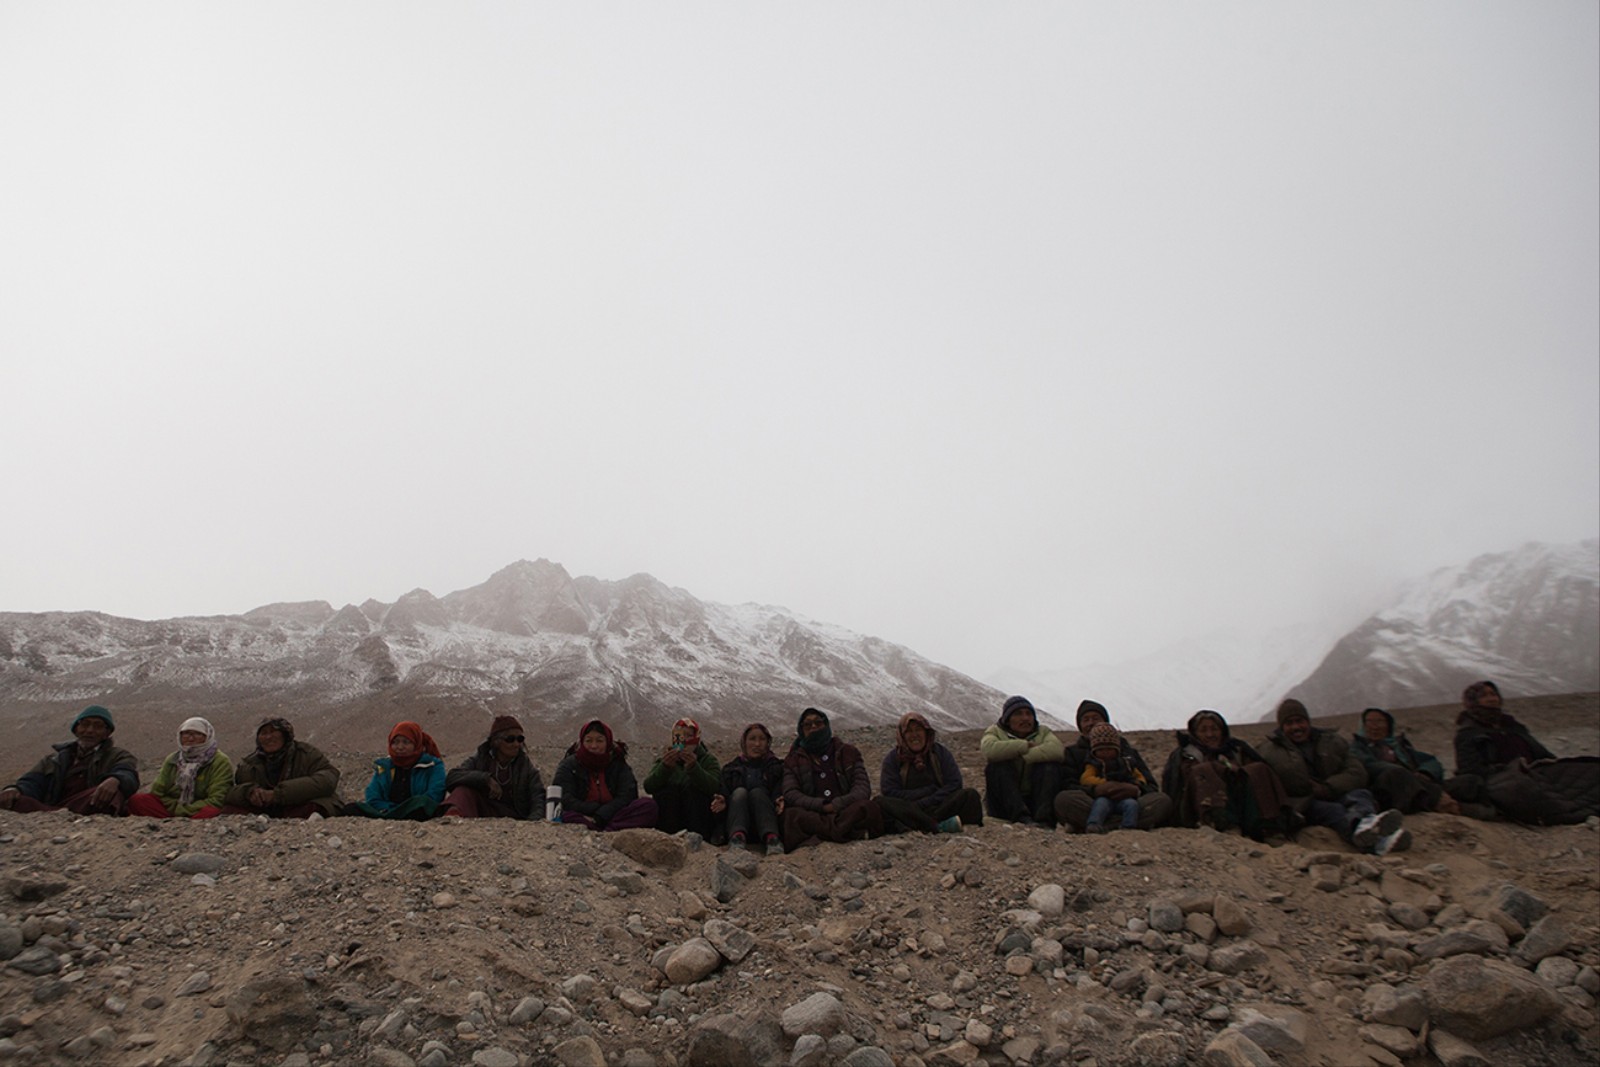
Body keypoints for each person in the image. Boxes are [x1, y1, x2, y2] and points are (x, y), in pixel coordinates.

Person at [1260, 699, 1408, 855]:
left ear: (1308, 722)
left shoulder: (1332, 741)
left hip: (1336, 792)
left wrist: (1329, 787)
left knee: (1361, 796)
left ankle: (1368, 827)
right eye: (1289, 723)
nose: (1296, 727)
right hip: (1303, 803)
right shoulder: (1270, 751)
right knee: (1334, 811)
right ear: (1282, 727)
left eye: (1300, 721)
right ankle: (1378, 842)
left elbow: (1356, 771)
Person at [1453, 681, 1600, 824]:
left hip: (1536, 771)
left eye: (1493, 694)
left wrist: (1554, 763)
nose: (1492, 698)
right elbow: (1471, 771)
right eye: (1484, 695)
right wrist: (1512, 768)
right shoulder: (1468, 734)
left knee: (1588, 770)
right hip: (1503, 781)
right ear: (1473, 701)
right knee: (1536, 795)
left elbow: (1539, 752)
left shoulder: (1511, 725)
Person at [1160, 709, 1293, 840]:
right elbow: (1185, 782)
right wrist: (1219, 770)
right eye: (1203, 730)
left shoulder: (1236, 749)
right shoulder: (1187, 755)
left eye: (1214, 729)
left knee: (1258, 769)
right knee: (1204, 770)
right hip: (1201, 808)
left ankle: (1268, 827)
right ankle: (1223, 825)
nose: (1210, 734)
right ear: (1195, 733)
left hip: (1243, 801)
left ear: (1222, 731)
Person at [1055, 700, 1171, 831]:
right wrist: (1096, 790)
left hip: (1130, 802)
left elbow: (1150, 785)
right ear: (1080, 725)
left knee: (1162, 801)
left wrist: (1135, 789)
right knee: (1064, 799)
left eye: (1096, 718)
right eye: (1086, 719)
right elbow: (1068, 785)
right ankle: (1125, 825)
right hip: (1093, 803)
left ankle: (1099, 825)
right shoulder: (1074, 752)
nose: (1091, 723)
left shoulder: (1127, 752)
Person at [0, 705, 138, 815]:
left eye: (97, 726)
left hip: (88, 803)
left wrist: (115, 779)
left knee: (112, 794)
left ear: (107, 733)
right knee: (13, 799)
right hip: (50, 809)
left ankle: (67, 816)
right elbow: (32, 782)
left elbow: (127, 773)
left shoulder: (118, 755)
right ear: (76, 729)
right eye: (85, 724)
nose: (90, 730)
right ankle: (58, 815)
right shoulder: (54, 759)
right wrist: (15, 789)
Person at [781, 707, 883, 849]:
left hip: (845, 810)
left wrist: (838, 804)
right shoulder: (793, 760)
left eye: (818, 722)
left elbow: (862, 787)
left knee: (868, 807)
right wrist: (821, 805)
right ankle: (845, 832)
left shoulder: (848, 752)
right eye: (808, 724)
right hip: (814, 814)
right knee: (792, 815)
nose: (814, 727)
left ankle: (822, 834)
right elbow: (791, 793)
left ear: (826, 725)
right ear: (801, 730)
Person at [877, 711, 983, 834]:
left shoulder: (940, 753)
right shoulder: (893, 759)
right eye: (909, 731)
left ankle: (920, 826)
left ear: (926, 733)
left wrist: (930, 800)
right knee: (880, 803)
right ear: (902, 735)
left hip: (939, 805)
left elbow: (954, 783)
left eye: (918, 730)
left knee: (970, 795)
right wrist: (923, 794)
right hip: (910, 807)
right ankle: (937, 826)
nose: (915, 735)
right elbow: (889, 791)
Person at [1351, 707, 1468, 816]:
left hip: (1418, 783)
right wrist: (1406, 773)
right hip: (1389, 789)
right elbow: (1369, 764)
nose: (1375, 727)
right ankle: (1444, 804)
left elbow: (1429, 760)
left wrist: (1425, 772)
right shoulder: (1358, 747)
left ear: (1388, 725)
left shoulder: (1398, 745)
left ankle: (1471, 809)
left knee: (1469, 781)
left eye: (1380, 721)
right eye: (1370, 722)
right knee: (1397, 774)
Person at [221, 718, 342, 818]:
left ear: (285, 735)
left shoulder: (306, 754)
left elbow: (328, 778)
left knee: (315, 808)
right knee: (230, 810)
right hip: (267, 811)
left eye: (273, 732)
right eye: (264, 733)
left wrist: (278, 794)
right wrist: (249, 792)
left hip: (297, 804)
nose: (268, 737)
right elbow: (231, 792)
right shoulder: (250, 763)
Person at [551, 720, 658, 831]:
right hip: (584, 816)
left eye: (599, 741)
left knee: (648, 806)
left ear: (608, 742)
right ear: (582, 742)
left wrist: (603, 814)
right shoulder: (569, 765)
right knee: (566, 816)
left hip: (613, 815)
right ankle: (611, 830)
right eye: (589, 741)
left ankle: (603, 831)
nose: (594, 746)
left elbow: (628, 795)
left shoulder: (618, 764)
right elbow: (565, 798)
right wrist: (593, 809)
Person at [441, 716, 546, 820]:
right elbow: (453, 776)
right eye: (510, 739)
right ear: (496, 741)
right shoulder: (481, 758)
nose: (516, 744)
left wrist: (532, 823)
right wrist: (484, 779)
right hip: (484, 811)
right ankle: (452, 821)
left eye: (520, 739)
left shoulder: (525, 766)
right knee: (463, 790)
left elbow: (538, 798)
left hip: (514, 817)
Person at [980, 696, 1063, 826]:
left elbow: (1057, 750)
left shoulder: (1043, 732)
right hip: (1005, 804)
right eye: (1018, 714)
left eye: (1029, 714)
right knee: (998, 767)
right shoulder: (995, 731)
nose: (1025, 718)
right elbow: (989, 750)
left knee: (1049, 766)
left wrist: (1025, 756)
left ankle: (1044, 820)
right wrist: (1023, 746)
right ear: (1007, 720)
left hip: (1034, 799)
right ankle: (1020, 818)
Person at [128, 717, 232, 819]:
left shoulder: (219, 761)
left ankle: (184, 825)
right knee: (138, 801)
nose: (191, 738)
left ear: (208, 736)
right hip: (173, 809)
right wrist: (176, 807)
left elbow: (217, 799)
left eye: (197, 734)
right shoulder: (173, 759)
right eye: (186, 734)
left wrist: (182, 810)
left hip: (199, 810)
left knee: (211, 811)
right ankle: (171, 823)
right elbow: (157, 793)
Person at [712, 722, 786, 854]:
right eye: (752, 739)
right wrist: (723, 800)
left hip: (766, 823)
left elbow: (779, 789)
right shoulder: (731, 769)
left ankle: (772, 839)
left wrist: (779, 799)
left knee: (757, 793)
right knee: (740, 792)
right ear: (744, 742)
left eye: (762, 739)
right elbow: (724, 792)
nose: (757, 744)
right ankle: (737, 838)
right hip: (736, 823)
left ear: (768, 742)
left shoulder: (776, 767)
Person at [348, 722, 446, 820]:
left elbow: (435, 795)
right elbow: (372, 795)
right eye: (395, 742)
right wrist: (391, 809)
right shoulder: (384, 767)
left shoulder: (432, 765)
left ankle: (392, 815)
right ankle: (393, 815)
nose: (400, 747)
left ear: (416, 743)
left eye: (406, 742)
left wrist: (405, 808)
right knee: (351, 808)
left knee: (421, 803)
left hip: (415, 809)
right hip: (387, 810)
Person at [643, 718, 722, 838]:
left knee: (692, 789)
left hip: (698, 822)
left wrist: (695, 769)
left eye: (689, 736)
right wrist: (665, 768)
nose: (684, 740)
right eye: (680, 735)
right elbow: (648, 786)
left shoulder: (708, 760)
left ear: (696, 739)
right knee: (667, 790)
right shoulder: (665, 760)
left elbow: (715, 787)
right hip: (670, 822)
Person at [1079, 724, 1149, 832]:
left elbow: (1140, 777)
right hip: (1104, 797)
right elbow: (1086, 779)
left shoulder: (1126, 763)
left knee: (1132, 805)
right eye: (1101, 749)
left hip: (1125, 797)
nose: (1105, 752)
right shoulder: (1094, 764)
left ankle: (1128, 827)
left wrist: (1135, 786)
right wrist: (1104, 784)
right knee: (1100, 805)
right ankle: (1094, 825)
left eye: (1109, 749)